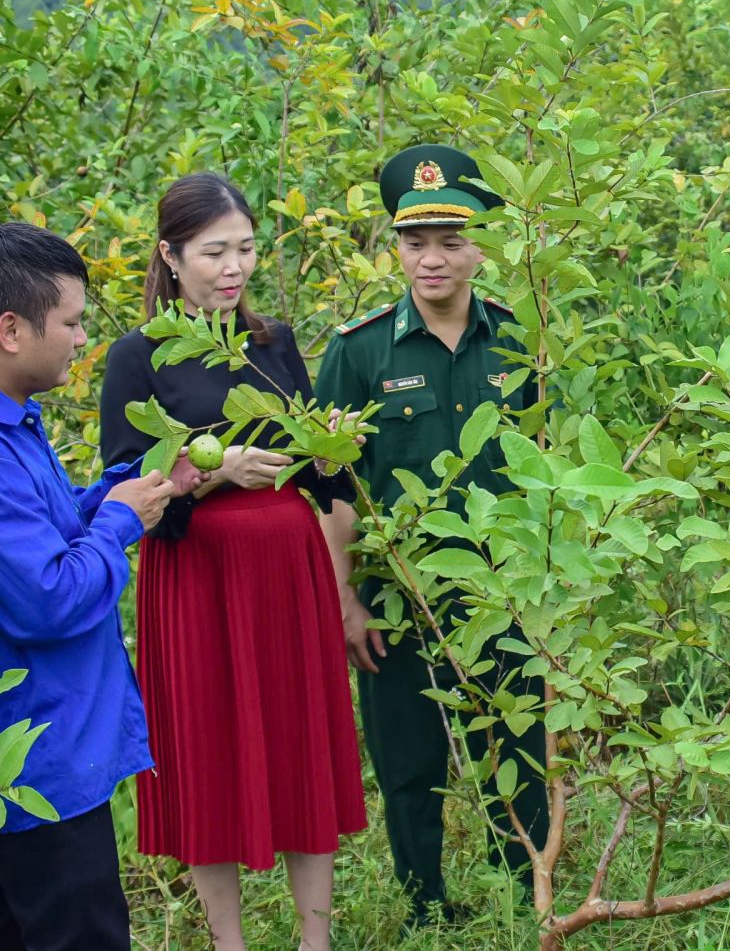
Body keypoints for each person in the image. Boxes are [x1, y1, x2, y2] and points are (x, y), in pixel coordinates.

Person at [0, 221, 200, 951]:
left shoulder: (0, 423)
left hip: (23, 745)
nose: (79, 338)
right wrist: (121, 525)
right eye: (70, 321)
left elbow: (48, 526)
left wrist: (131, 489)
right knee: (80, 934)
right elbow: (51, 596)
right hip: (31, 752)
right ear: (11, 328)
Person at [98, 174, 366, 951]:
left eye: (245, 248)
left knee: (297, 741)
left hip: (287, 576)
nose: (233, 267)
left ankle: (315, 939)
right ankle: (229, 942)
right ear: (170, 256)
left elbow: (322, 476)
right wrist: (215, 470)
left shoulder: (274, 344)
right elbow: (126, 487)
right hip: (200, 580)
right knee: (209, 751)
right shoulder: (135, 358)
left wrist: (332, 443)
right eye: (214, 251)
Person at [314, 144, 549, 931]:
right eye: (416, 241)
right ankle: (424, 907)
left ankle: (524, 897)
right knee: (408, 757)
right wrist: (347, 597)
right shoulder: (358, 350)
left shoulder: (519, 339)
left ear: (481, 243)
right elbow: (336, 488)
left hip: (502, 587)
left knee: (517, 750)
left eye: (452, 239)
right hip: (398, 589)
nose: (433, 258)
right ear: (397, 246)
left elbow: (540, 471)